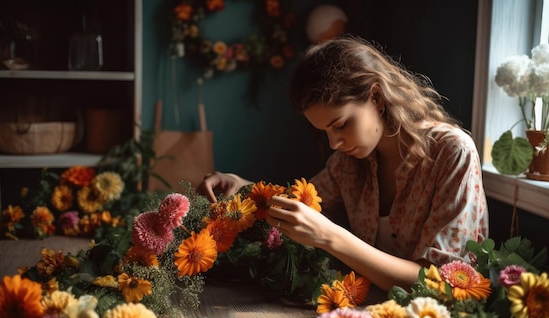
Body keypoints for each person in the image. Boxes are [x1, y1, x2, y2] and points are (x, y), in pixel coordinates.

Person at [198, 35, 488, 292]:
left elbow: (442, 284)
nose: (334, 143)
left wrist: (330, 237)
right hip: (362, 309)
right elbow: (303, 205)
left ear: (376, 96)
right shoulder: (347, 164)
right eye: (325, 131)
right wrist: (243, 187)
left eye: (341, 124)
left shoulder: (451, 153)